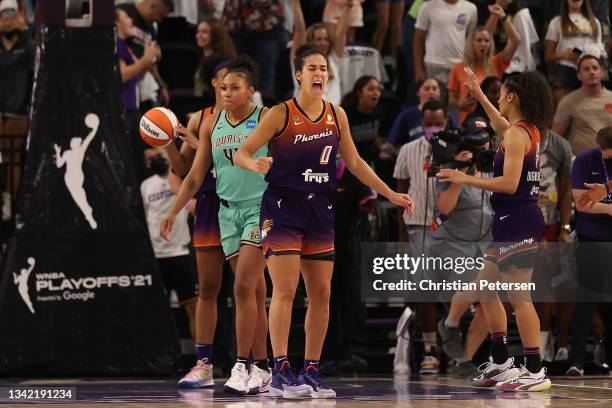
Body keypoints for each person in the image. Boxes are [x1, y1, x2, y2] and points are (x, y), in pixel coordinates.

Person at [234, 44, 414, 399]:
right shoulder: (279, 114)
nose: (318, 73)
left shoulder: (337, 114)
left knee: (322, 294)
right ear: (298, 75)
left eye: (323, 68)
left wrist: (390, 194)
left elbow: (358, 163)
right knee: (285, 291)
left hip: (319, 209)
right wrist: (252, 164)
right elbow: (243, 150)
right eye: (311, 68)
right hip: (283, 208)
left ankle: (311, 372)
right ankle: (280, 371)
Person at [437, 68, 555, 391]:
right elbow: (499, 124)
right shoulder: (524, 130)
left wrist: (465, 178)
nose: (499, 99)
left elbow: (508, 183)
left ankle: (534, 368)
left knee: (519, 298)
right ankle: (502, 362)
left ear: (513, 97)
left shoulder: (518, 135)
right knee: (486, 290)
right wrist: (480, 95)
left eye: (502, 94)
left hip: (518, 219)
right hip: (511, 221)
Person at [161, 57, 271, 395]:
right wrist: (173, 210)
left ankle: (246, 365)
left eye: (234, 87)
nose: (226, 92)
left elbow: (289, 158)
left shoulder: (267, 118)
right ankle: (263, 368)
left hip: (260, 209)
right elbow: (194, 174)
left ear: (251, 91)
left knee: (243, 288)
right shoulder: (211, 124)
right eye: (223, 87)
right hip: (226, 213)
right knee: (249, 291)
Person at [166, 54, 228, 389]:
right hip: (208, 208)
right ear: (214, 82)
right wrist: (165, 144)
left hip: (244, 206)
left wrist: (202, 146)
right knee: (207, 289)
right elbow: (181, 170)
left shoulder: (258, 119)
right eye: (222, 76)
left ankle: (256, 364)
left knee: (251, 290)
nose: (228, 82)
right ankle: (204, 363)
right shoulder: (199, 119)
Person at [393, 100, 449, 375]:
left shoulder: (455, 151)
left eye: (439, 124)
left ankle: (455, 349)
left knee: (454, 289)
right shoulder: (407, 150)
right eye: (429, 124)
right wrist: (402, 232)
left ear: (447, 123)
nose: (433, 129)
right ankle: (429, 349)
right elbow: (400, 190)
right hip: (417, 226)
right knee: (424, 290)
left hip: (450, 228)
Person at [566, 126, 612, 376]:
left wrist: (603, 199)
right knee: (586, 298)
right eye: (607, 154)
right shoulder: (584, 160)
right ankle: (576, 359)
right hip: (591, 236)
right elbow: (583, 204)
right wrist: (608, 209)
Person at [140, 148, 198, 339]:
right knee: (157, 310)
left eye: (158, 155)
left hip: (180, 252)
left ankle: (203, 359)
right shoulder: (145, 186)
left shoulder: (180, 182)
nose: (155, 160)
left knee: (193, 308)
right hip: (156, 256)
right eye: (150, 159)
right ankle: (166, 357)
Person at [447, 4, 520, 124]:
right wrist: (460, 104)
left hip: (494, 120)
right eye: (479, 40)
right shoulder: (458, 68)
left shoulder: (496, 62)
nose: (483, 44)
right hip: (467, 121)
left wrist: (503, 17)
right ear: (471, 43)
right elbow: (451, 100)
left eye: (486, 41)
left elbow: (516, 41)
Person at [290, 0, 352, 105]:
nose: (323, 43)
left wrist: (348, 5)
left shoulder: (333, 59)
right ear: (310, 41)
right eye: (318, 39)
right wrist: (295, 2)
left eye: (326, 39)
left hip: (331, 117)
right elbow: (299, 31)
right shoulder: (300, 59)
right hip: (304, 115)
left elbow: (341, 32)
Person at [544, 0, 605, 105]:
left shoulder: (595, 22)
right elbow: (548, 56)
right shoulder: (556, 22)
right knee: (564, 110)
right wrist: (563, 54)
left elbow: (599, 50)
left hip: (589, 70)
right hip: (565, 70)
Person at [552, 55, 612, 155]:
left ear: (601, 73)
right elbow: (555, 138)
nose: (592, 72)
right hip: (582, 163)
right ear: (579, 76)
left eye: (595, 68)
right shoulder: (568, 102)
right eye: (586, 69)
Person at [413, 0, 478, 84]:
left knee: (457, 97)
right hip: (434, 65)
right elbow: (418, 39)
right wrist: (418, 69)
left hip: (460, 65)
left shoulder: (471, 9)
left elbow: (471, 39)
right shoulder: (427, 7)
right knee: (435, 96)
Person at [385, 77, 448, 147]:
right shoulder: (406, 115)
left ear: (439, 92)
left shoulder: (448, 115)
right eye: (427, 89)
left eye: (434, 89)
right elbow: (390, 143)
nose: (431, 92)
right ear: (418, 92)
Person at [193, 18, 236, 99]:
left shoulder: (220, 61)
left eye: (204, 32)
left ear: (216, 35)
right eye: (198, 32)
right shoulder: (200, 58)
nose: (199, 35)